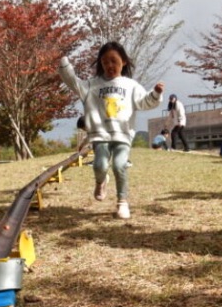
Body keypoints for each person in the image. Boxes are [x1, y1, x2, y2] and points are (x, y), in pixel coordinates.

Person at [58, 41, 164, 219]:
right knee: (99, 165)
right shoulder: (92, 85)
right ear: (100, 63)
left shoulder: (131, 85)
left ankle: (122, 202)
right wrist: (64, 64)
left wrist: (155, 93)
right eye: (105, 62)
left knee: (120, 164)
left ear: (123, 62)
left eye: (114, 61)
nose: (109, 65)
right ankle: (101, 181)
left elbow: (145, 101)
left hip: (123, 135)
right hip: (101, 135)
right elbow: (73, 82)